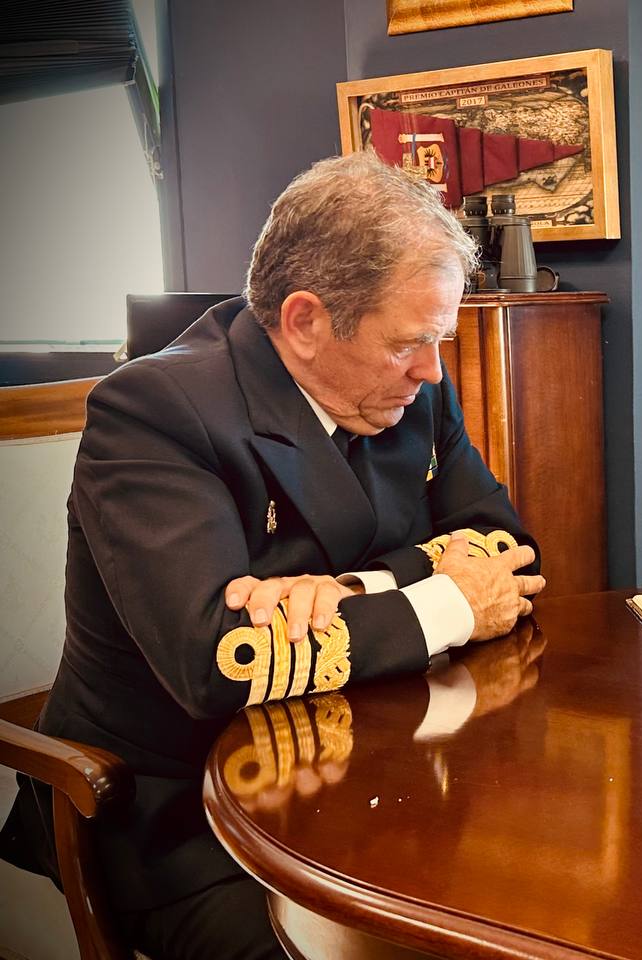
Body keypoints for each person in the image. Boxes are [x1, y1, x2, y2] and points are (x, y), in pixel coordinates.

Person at [0, 152, 545, 959]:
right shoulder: (154, 411)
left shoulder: (410, 389)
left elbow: (509, 551)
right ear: (305, 321)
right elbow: (221, 659)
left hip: (367, 770)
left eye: (437, 340)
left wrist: (354, 586)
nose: (431, 370)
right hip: (176, 818)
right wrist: (448, 599)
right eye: (409, 343)